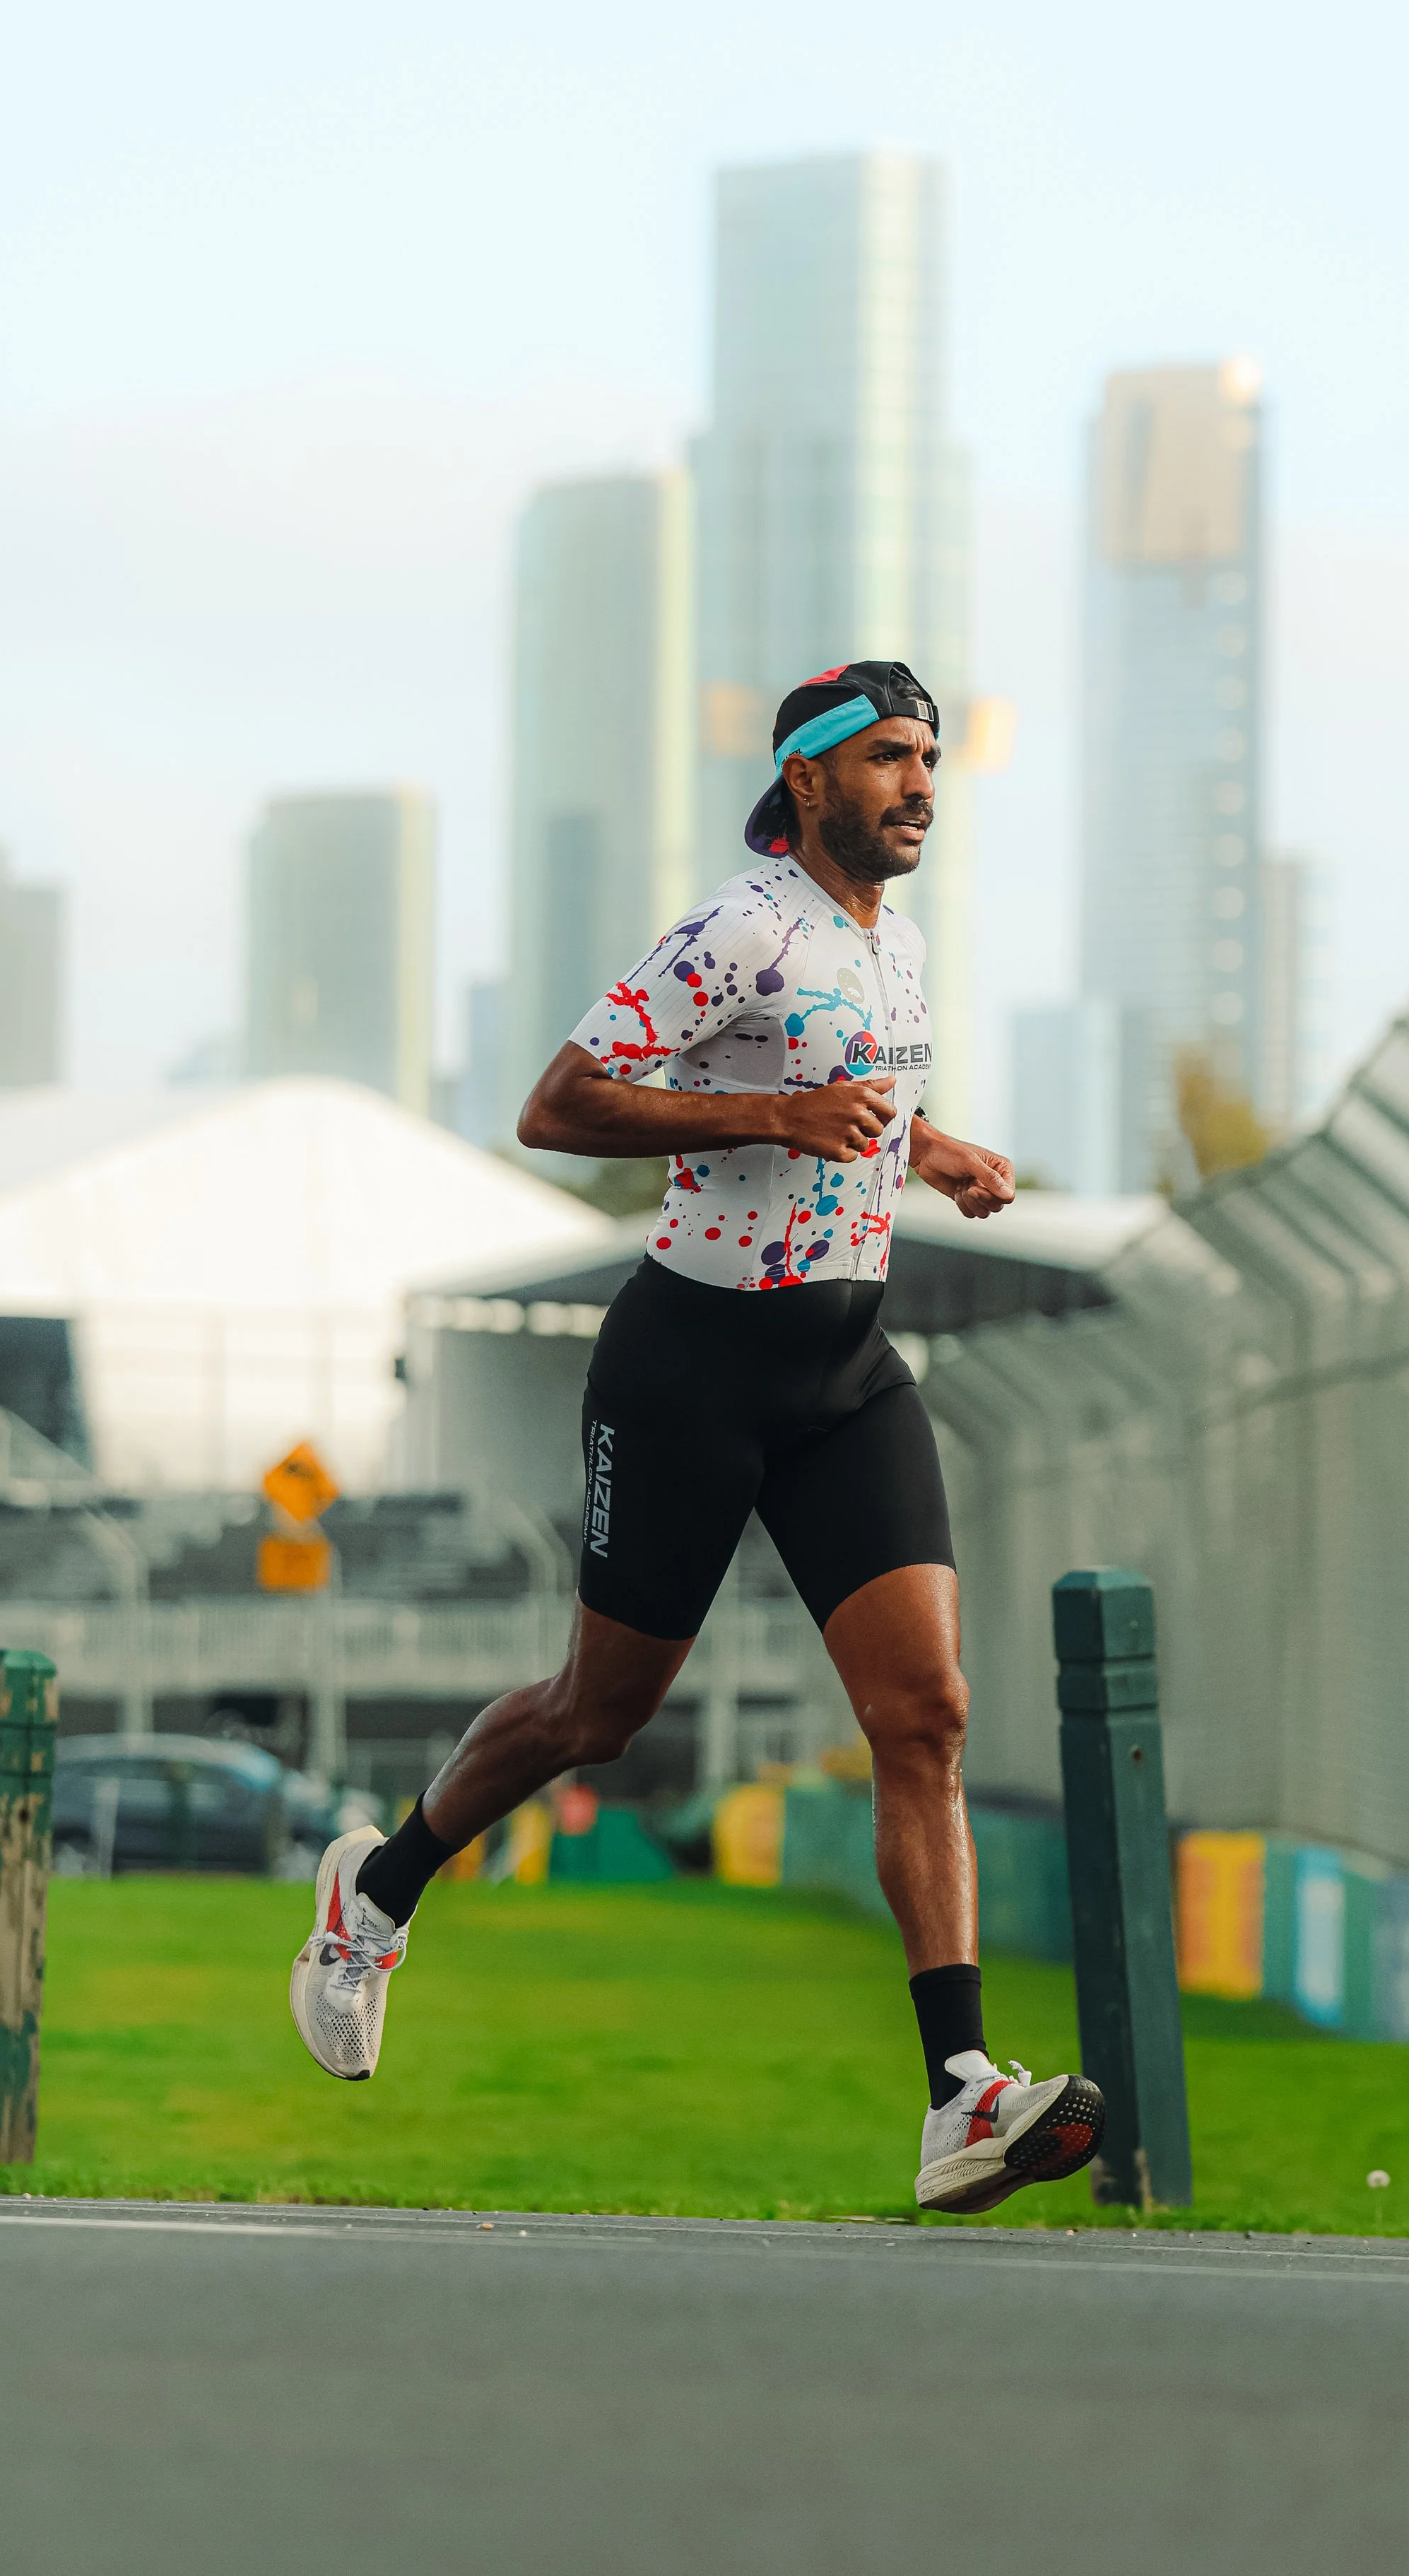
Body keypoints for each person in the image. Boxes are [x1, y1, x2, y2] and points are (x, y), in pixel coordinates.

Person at [289, 658, 1104, 2213]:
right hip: (688, 1372)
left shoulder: (898, 945)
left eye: (928, 755)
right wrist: (763, 1120)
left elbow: (847, 1096)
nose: (917, 781)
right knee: (597, 1717)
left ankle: (958, 2093)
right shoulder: (735, 929)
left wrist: (929, 1151)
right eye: (883, 757)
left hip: (847, 1372)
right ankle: (374, 1891)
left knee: (924, 1712)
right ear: (807, 781)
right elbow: (560, 1102)